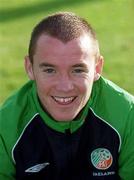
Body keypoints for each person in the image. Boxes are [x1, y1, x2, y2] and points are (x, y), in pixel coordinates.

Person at [0, 12, 134, 180]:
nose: (64, 87)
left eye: (78, 70)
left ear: (97, 68)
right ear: (30, 68)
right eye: (50, 70)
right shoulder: (5, 125)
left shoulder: (128, 115)